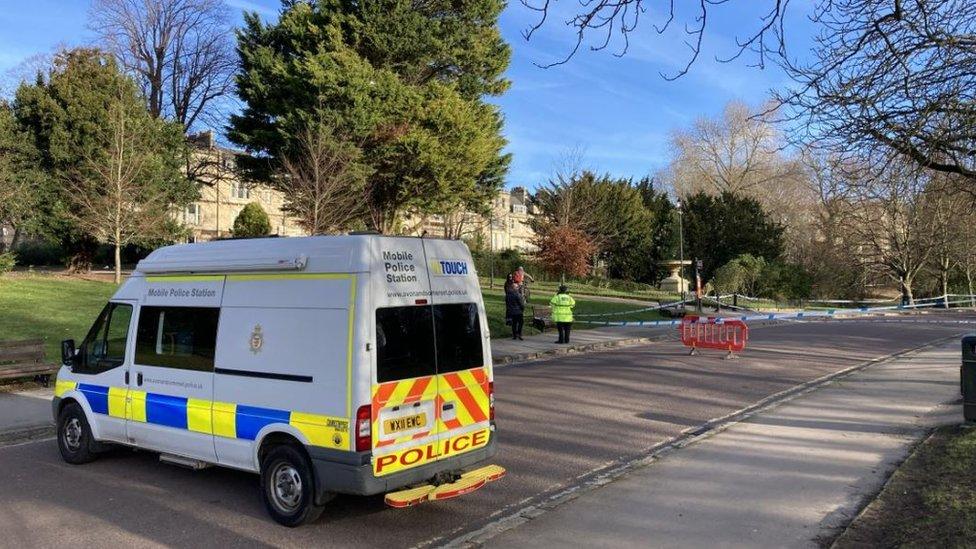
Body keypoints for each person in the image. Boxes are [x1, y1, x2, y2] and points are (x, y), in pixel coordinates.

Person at [504, 274, 525, 340]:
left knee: (514, 324)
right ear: (515, 288)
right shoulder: (517, 295)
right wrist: (522, 309)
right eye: (517, 287)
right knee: (520, 323)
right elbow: (521, 304)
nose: (518, 288)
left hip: (511, 311)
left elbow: (507, 304)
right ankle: (519, 334)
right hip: (518, 311)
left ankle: (514, 335)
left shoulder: (507, 295)